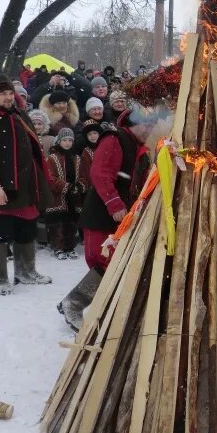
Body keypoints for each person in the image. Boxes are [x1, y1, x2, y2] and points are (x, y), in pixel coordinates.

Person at [57, 104, 157, 330]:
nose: (148, 129)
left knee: (114, 262)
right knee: (104, 261)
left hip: (122, 216)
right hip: (103, 213)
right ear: (132, 124)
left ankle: (85, 304)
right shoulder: (115, 139)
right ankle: (73, 303)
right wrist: (114, 203)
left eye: (151, 125)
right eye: (145, 124)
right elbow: (100, 173)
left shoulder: (139, 148)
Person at [0, 74, 52, 294]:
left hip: (25, 184)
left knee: (26, 229)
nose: (8, 98)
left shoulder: (21, 115)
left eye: (10, 93)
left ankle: (26, 272)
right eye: (3, 94)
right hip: (0, 188)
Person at [45, 128, 85, 260]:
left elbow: (84, 176)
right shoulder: (52, 158)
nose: (67, 143)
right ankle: (58, 247)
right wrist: (66, 186)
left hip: (73, 196)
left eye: (70, 140)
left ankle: (70, 247)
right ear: (59, 141)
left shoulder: (77, 158)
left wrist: (79, 186)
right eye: (64, 140)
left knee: (71, 222)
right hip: (57, 196)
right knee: (58, 224)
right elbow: (50, 177)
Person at [78, 121, 102, 189]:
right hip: (94, 185)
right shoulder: (86, 152)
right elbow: (86, 172)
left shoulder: (105, 147)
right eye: (89, 134)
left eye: (95, 133)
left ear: (99, 134)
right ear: (86, 137)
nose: (92, 136)